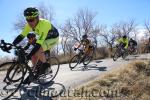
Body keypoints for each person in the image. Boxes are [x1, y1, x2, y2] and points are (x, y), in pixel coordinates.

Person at [12, 7, 59, 84]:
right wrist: (12, 44)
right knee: (33, 55)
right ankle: (34, 72)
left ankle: (45, 66)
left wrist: (28, 55)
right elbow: (21, 36)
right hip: (45, 39)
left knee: (38, 50)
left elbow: (38, 45)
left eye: (31, 20)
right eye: (27, 20)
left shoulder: (44, 24)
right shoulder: (29, 26)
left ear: (37, 18)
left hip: (53, 38)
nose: (29, 22)